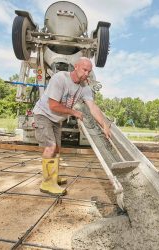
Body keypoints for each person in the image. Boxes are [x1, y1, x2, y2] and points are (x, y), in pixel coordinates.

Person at [33, 57, 111, 196]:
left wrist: (104, 125)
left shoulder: (84, 87)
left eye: (89, 71)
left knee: (57, 148)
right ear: (76, 67)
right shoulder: (60, 78)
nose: (87, 73)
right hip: (43, 114)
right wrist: (74, 112)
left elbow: (93, 107)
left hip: (56, 119)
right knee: (50, 147)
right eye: (84, 69)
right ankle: (47, 183)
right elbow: (53, 105)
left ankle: (53, 177)